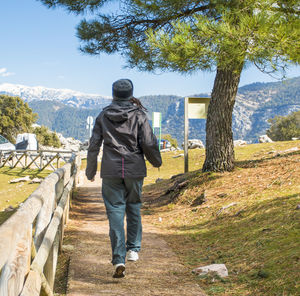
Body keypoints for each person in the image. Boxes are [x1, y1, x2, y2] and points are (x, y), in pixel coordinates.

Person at [85, 79, 162, 278]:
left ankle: (118, 258)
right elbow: (148, 142)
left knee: (115, 213)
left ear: (113, 94)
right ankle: (133, 250)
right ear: (130, 94)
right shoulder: (139, 115)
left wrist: (90, 171)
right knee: (134, 206)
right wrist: (156, 162)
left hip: (111, 170)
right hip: (134, 169)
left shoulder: (103, 115)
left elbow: (94, 145)